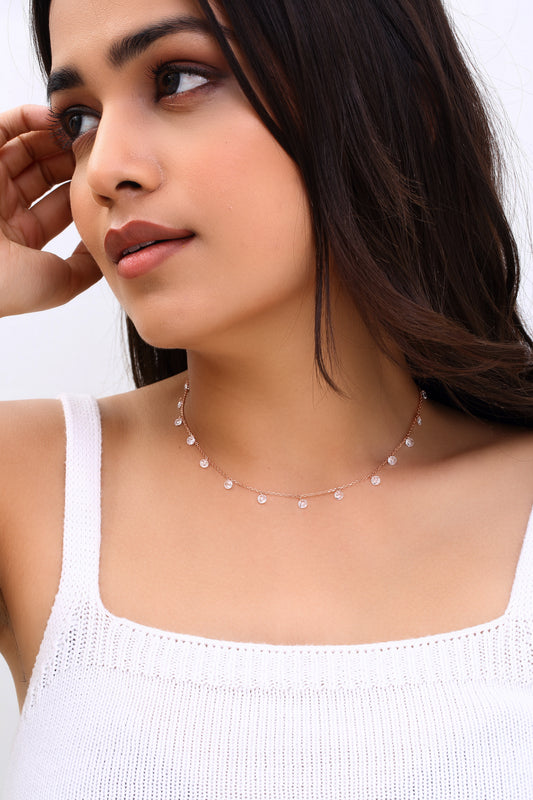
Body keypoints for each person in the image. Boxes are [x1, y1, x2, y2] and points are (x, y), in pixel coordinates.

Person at [1, 0, 532, 796]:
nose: (105, 169)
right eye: (78, 120)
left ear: (393, 98)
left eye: (178, 79)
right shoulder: (27, 485)